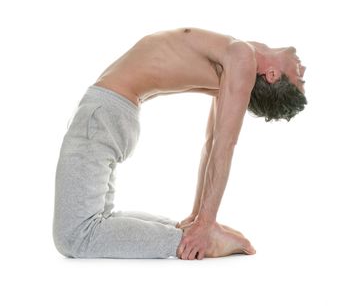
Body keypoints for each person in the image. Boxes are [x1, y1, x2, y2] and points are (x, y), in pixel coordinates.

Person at [53, 27, 307, 260]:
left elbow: (222, 147)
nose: (303, 70)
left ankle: (189, 241)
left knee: (75, 235)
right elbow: (211, 144)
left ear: (273, 75)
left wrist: (203, 227)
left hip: (105, 113)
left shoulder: (241, 57)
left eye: (299, 79)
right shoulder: (235, 61)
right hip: (113, 114)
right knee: (96, 221)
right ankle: (190, 234)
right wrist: (198, 220)